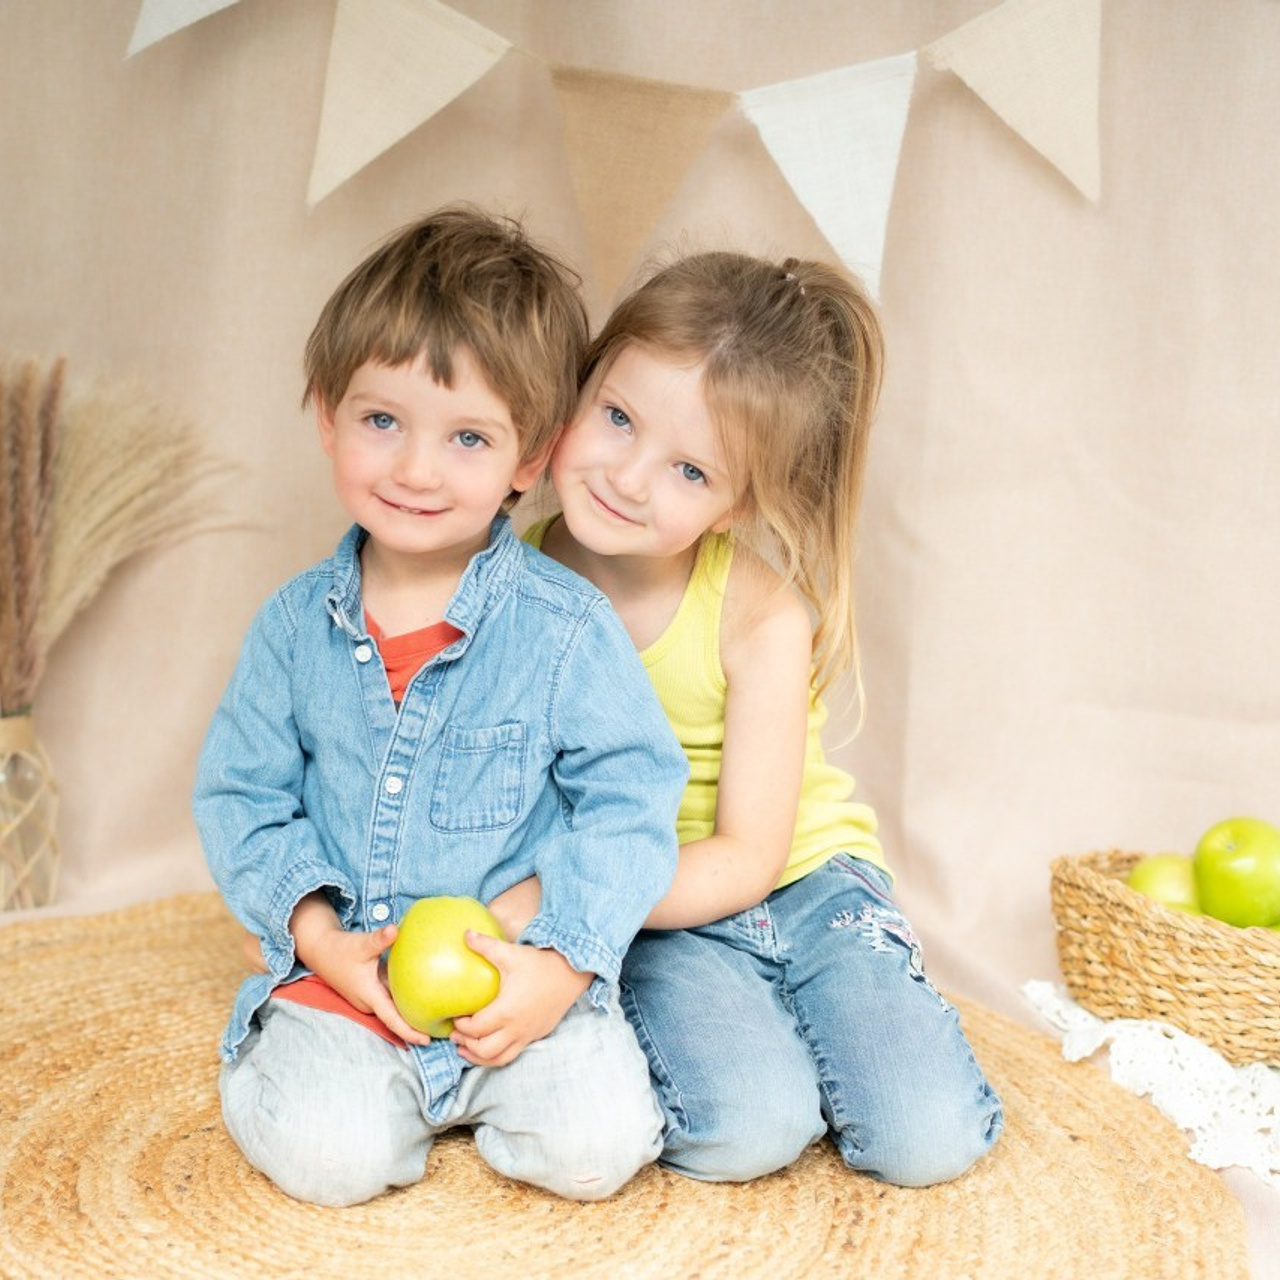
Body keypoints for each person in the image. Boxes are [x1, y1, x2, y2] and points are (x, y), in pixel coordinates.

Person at [193, 207, 688, 1208]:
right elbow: (242, 794)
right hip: (349, 983)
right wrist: (316, 934)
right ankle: (308, 1062)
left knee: (598, 1147)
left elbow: (631, 801)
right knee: (330, 1160)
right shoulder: (293, 629)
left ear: (528, 458)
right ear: (326, 412)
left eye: (466, 436)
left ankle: (491, 1084)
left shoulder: (562, 628)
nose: (416, 469)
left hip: (518, 976)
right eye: (382, 421)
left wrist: (558, 965)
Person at [509, 250, 1004, 1187]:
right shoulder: (508, 589)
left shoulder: (759, 614)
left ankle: (867, 1018)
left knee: (923, 1139)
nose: (628, 476)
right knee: (743, 1134)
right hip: (661, 917)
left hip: (801, 883)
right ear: (579, 386)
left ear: (739, 505)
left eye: (690, 470)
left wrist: (564, 900)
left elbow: (749, 854)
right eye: (616, 417)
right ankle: (769, 1045)